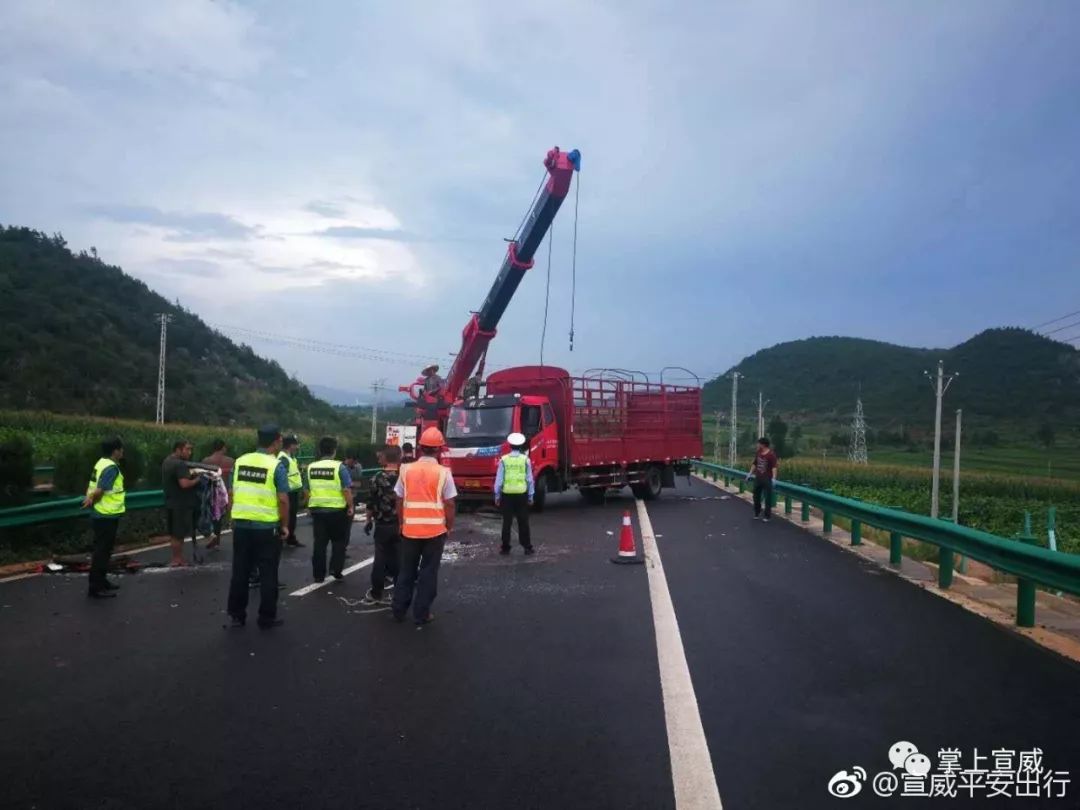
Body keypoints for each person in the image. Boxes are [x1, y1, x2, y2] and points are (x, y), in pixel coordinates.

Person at [226, 425, 291, 629]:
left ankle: (237, 616)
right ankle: (266, 617)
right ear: (276, 441)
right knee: (268, 572)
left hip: (242, 526)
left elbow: (231, 493)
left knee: (240, 571)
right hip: (266, 528)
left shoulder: (240, 461)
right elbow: (282, 500)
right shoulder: (276, 466)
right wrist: (285, 525)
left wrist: (233, 517)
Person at [392, 427, 456, 626]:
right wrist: (449, 525)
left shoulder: (405, 469)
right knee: (428, 572)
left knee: (406, 570)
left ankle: (399, 610)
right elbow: (450, 503)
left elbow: (399, 499)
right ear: (439, 449)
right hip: (435, 532)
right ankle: (422, 613)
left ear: (420, 447)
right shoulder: (444, 473)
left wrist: (401, 523)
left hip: (410, 530)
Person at [81, 437, 126, 598]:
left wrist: (91, 500)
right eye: (121, 449)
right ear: (115, 451)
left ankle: (102, 580)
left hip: (101, 513)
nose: (122, 452)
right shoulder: (111, 468)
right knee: (102, 551)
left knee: (103, 550)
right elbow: (100, 489)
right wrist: (92, 499)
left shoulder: (101, 462)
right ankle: (96, 586)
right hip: (106, 514)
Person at [307, 436, 354, 582]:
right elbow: (346, 490)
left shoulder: (311, 467)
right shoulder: (339, 467)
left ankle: (318, 575)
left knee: (319, 543)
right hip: (337, 511)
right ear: (334, 450)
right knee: (338, 542)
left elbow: (306, 489)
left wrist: (311, 503)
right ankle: (335, 569)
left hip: (318, 511)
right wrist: (351, 506)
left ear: (320, 450)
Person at [363, 445, 401, 604]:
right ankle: (401, 592)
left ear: (385, 458)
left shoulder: (376, 478)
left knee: (380, 558)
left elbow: (371, 502)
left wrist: (368, 520)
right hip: (401, 524)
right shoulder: (405, 476)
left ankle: (377, 592)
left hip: (382, 524)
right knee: (399, 558)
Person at [494, 432, 535, 555]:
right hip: (521, 494)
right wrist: (531, 496)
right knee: (523, 521)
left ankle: (505, 547)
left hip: (507, 495)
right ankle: (527, 547)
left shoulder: (504, 460)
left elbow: (499, 480)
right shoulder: (525, 460)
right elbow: (529, 479)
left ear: (510, 445)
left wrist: (497, 495)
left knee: (507, 522)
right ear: (521, 445)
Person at [162, 440, 200, 566]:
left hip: (170, 501)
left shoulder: (167, 461)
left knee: (174, 533)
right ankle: (177, 559)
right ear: (178, 449)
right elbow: (184, 484)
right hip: (180, 503)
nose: (190, 452)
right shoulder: (180, 464)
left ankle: (176, 557)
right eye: (187, 449)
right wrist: (198, 479)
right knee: (179, 533)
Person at [203, 438, 234, 549]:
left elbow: (203, 478)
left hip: (210, 492)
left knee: (210, 516)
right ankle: (217, 540)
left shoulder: (206, 461)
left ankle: (212, 536)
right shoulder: (230, 461)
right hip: (224, 493)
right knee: (220, 517)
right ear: (223, 447)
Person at [746, 436, 780, 522]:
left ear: (763, 445)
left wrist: (774, 478)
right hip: (758, 478)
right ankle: (757, 512)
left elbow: (774, 467)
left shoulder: (771, 455)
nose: (757, 445)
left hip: (767, 478)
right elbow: (755, 464)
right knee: (756, 496)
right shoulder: (758, 452)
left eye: (759, 443)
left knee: (767, 497)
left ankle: (767, 516)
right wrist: (749, 474)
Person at [279, 435, 304, 547]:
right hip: (288, 492)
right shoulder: (283, 458)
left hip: (293, 491)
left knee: (292, 516)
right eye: (296, 444)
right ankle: (287, 538)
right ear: (291, 445)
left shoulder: (290, 457)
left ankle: (290, 537)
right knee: (288, 515)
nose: (297, 446)